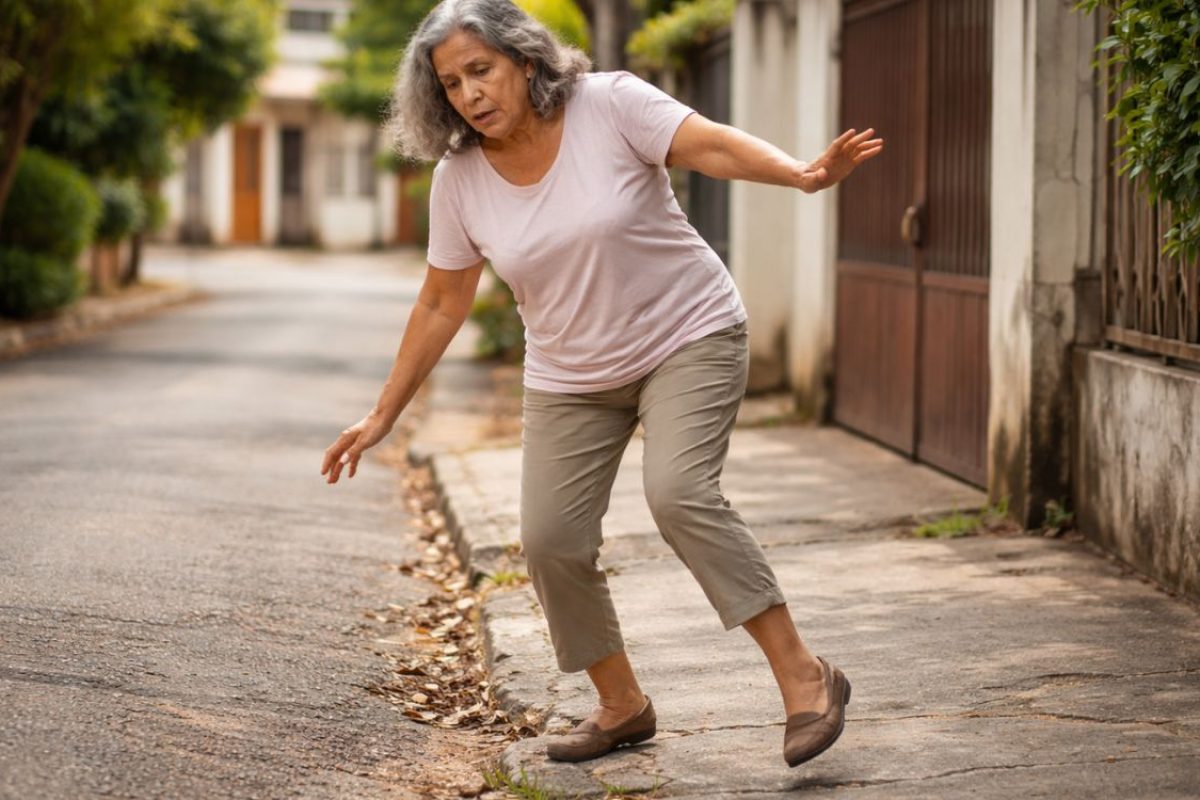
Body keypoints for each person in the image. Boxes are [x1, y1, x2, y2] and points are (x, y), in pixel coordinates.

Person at [321, 0, 882, 768]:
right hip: (571, 375)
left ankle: (805, 676)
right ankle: (622, 705)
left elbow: (709, 147)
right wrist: (382, 413)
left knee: (680, 494)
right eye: (451, 84)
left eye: (480, 70)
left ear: (523, 59)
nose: (470, 94)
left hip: (687, 334)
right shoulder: (459, 182)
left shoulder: (610, 104)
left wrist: (800, 174)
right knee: (551, 541)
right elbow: (442, 300)